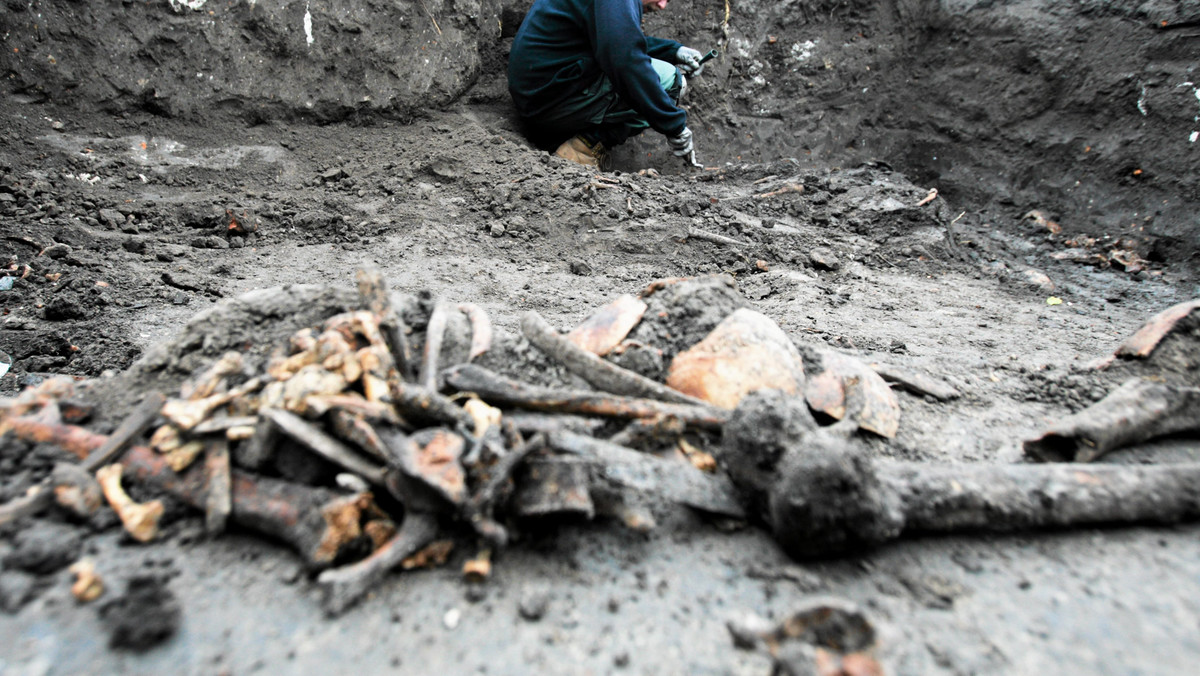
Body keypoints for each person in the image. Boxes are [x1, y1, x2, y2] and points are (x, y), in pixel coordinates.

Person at [507, 0, 705, 167]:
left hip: (537, 92)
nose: (662, 5)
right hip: (551, 100)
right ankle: (582, 149)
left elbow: (615, 39)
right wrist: (674, 125)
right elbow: (625, 60)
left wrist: (673, 51)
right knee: (672, 80)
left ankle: (566, 137)